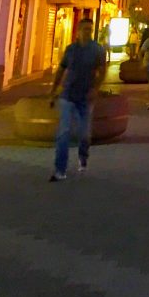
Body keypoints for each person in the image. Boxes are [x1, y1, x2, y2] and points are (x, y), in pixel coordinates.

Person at [48, 17, 107, 181]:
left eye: (90, 29)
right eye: (85, 29)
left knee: (84, 135)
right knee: (64, 133)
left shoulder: (97, 50)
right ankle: (60, 169)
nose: (88, 32)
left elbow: (102, 71)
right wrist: (53, 91)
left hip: (85, 97)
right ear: (78, 31)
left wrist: (95, 89)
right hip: (68, 95)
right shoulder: (70, 49)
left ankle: (83, 157)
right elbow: (61, 70)